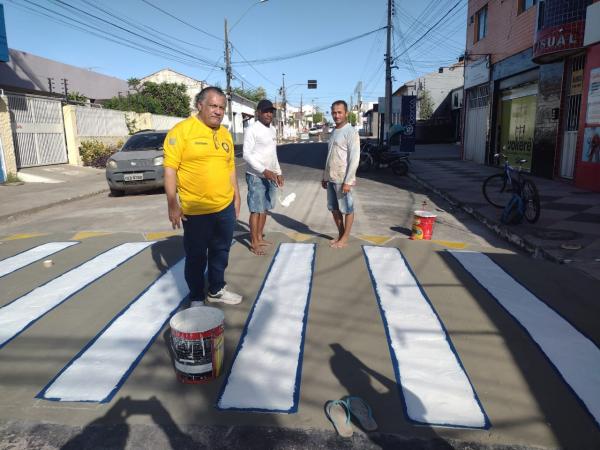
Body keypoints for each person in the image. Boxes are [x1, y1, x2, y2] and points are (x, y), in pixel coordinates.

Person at [163, 86, 242, 306]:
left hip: (224, 207)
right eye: (213, 106)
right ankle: (197, 296)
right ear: (200, 105)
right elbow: (170, 169)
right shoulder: (181, 131)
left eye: (222, 107)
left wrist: (236, 195)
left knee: (221, 252)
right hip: (196, 211)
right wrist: (172, 203)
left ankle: (216, 289)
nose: (218, 111)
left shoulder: (225, 133)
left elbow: (230, 167)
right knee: (196, 257)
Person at [243, 99, 283, 256]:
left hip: (270, 175)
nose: (269, 114)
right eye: (265, 111)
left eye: (271, 111)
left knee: (265, 209)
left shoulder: (272, 130)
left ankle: (259, 237)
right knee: (256, 210)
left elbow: (273, 154)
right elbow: (246, 154)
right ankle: (254, 243)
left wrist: (278, 172)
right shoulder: (252, 130)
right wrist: (263, 170)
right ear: (258, 112)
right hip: (256, 175)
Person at [321, 100, 360, 248]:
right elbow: (330, 155)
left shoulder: (351, 132)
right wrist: (325, 176)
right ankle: (341, 234)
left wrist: (348, 181)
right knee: (334, 209)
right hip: (331, 177)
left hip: (343, 179)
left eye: (339, 112)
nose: (336, 115)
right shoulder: (334, 132)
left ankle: (345, 239)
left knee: (347, 209)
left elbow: (354, 158)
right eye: (334, 112)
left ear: (346, 113)